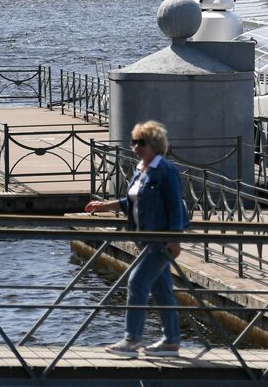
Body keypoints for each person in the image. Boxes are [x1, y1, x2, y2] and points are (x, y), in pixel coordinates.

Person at [84, 120, 188, 357]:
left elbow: (174, 205)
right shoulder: (141, 169)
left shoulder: (165, 170)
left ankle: (131, 340)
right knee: (162, 291)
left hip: (159, 240)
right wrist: (105, 206)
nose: (136, 147)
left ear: (155, 144)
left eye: (141, 142)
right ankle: (171, 341)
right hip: (144, 239)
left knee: (137, 281)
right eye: (133, 142)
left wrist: (175, 238)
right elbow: (134, 201)